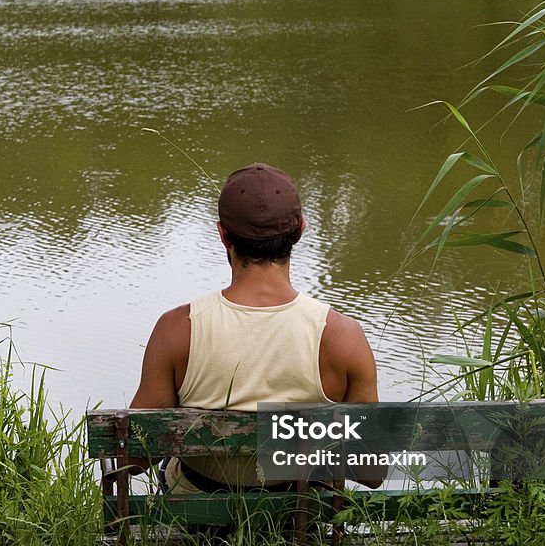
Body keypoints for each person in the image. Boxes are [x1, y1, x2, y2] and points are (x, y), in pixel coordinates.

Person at [126, 162, 384, 492]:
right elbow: (371, 472)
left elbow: (133, 459)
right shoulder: (342, 336)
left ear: (223, 234)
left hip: (201, 522)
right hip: (303, 521)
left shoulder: (178, 329)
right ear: (301, 229)